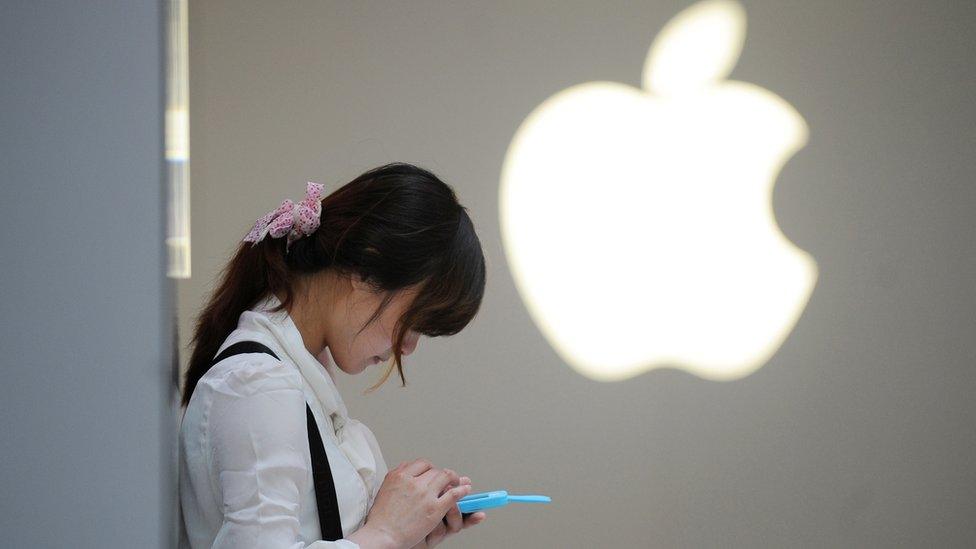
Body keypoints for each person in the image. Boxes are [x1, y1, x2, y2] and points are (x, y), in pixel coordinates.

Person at [178, 162, 488, 548]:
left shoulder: (292, 378)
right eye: (414, 321)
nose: (408, 347)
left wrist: (406, 532)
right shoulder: (257, 383)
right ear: (366, 267)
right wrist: (386, 533)